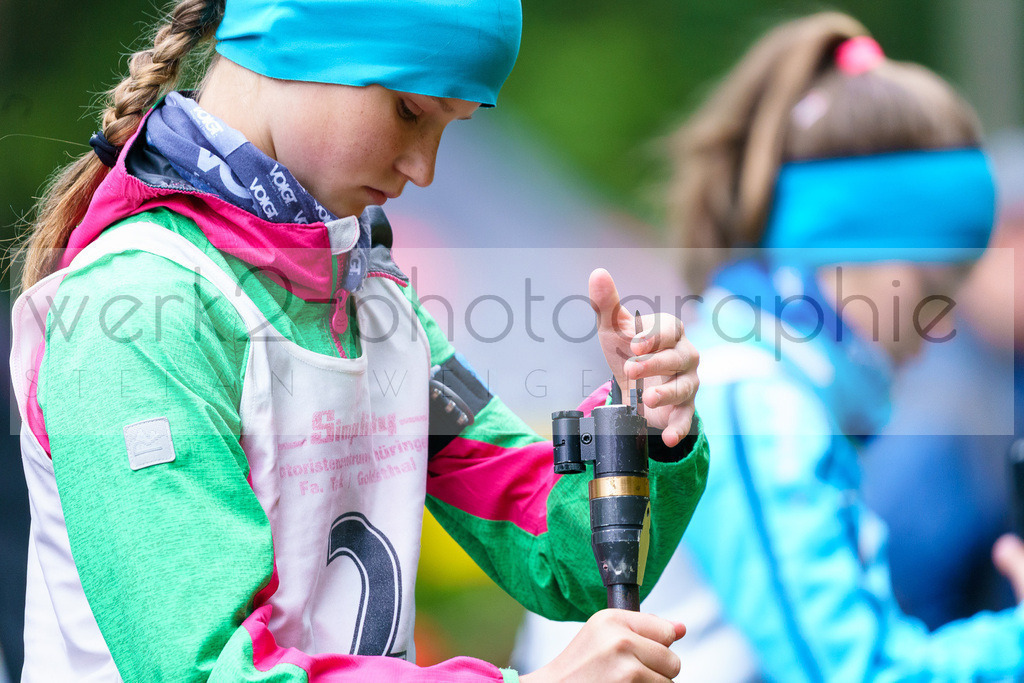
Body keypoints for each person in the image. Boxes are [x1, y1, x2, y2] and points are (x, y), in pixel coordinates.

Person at [8, 0, 710, 680]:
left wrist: (641, 428)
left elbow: (562, 558)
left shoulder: (378, 307)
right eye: (408, 111)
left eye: (450, 127)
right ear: (295, 40)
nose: (423, 169)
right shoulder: (134, 313)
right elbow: (207, 670)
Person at [514, 12, 1024, 681]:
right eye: (935, 281)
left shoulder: (771, 381)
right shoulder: (752, 395)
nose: (945, 321)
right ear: (850, 251)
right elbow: (850, 671)